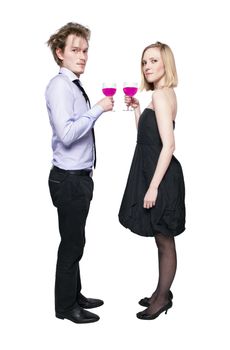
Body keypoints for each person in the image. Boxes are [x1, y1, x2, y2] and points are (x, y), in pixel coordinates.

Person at [45, 22, 114, 324]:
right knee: (72, 244)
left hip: (78, 178)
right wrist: (98, 108)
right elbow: (68, 133)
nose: (83, 56)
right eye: (75, 50)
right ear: (60, 53)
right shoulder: (60, 86)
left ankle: (75, 295)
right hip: (70, 180)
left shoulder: (72, 84)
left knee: (76, 240)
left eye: (85, 50)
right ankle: (65, 308)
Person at [118, 42, 186, 320]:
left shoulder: (160, 95)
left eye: (153, 61)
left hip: (162, 176)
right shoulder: (163, 94)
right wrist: (136, 110)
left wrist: (154, 186)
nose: (147, 66)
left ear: (165, 64)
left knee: (165, 241)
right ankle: (161, 292)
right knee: (162, 239)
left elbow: (168, 146)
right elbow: (148, 139)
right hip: (158, 170)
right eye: (144, 61)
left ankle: (162, 299)